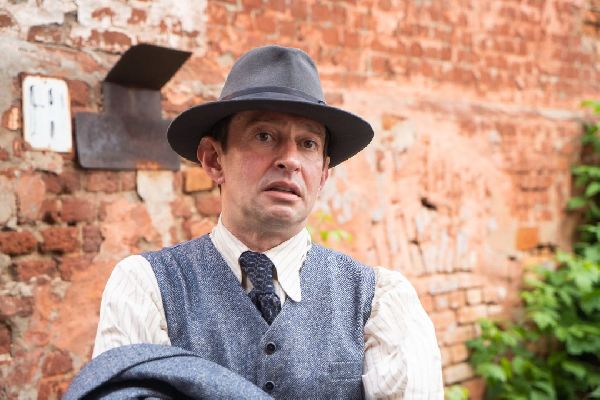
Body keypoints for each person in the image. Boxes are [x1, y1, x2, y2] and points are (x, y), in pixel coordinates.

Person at [93, 45, 443, 399]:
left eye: (308, 143)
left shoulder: (378, 300)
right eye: (264, 136)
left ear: (323, 173)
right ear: (214, 160)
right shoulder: (146, 287)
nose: (290, 160)